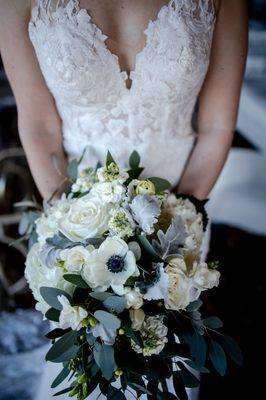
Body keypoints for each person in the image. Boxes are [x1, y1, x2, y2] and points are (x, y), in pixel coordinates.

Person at [0, 1, 248, 399]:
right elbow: (40, 128)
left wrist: (179, 220)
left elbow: (217, 127)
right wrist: (71, 226)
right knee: (90, 358)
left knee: (164, 356)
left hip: (179, 221)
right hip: (76, 223)